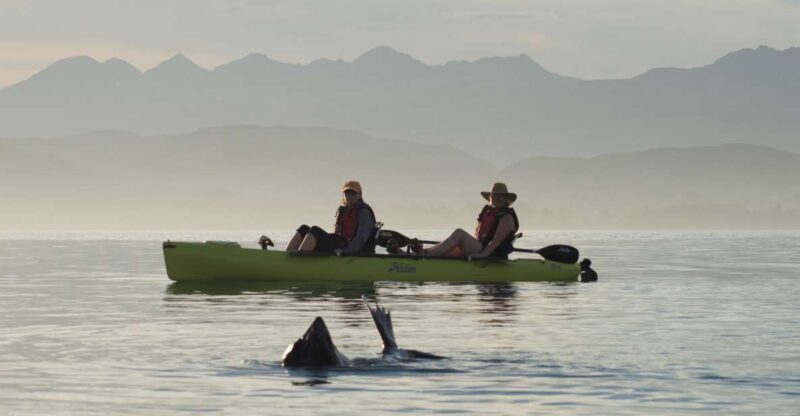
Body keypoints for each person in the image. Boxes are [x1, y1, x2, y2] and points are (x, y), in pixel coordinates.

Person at [271, 180, 377, 255]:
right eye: (347, 193)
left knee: (315, 231)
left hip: (348, 249)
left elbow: (361, 238)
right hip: (340, 243)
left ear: (359, 195)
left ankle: (299, 262)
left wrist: (345, 252)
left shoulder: (363, 212)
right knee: (304, 228)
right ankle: (286, 257)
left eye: (353, 193)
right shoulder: (344, 210)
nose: (350, 196)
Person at [424, 182, 519, 259]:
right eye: (494, 195)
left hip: (486, 251)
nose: (497, 198)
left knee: (459, 233)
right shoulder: (489, 212)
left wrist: (483, 255)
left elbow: (496, 241)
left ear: (506, 198)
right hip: (478, 247)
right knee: (446, 248)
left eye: (501, 196)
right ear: (491, 197)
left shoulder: (506, 217)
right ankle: (425, 252)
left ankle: (427, 254)